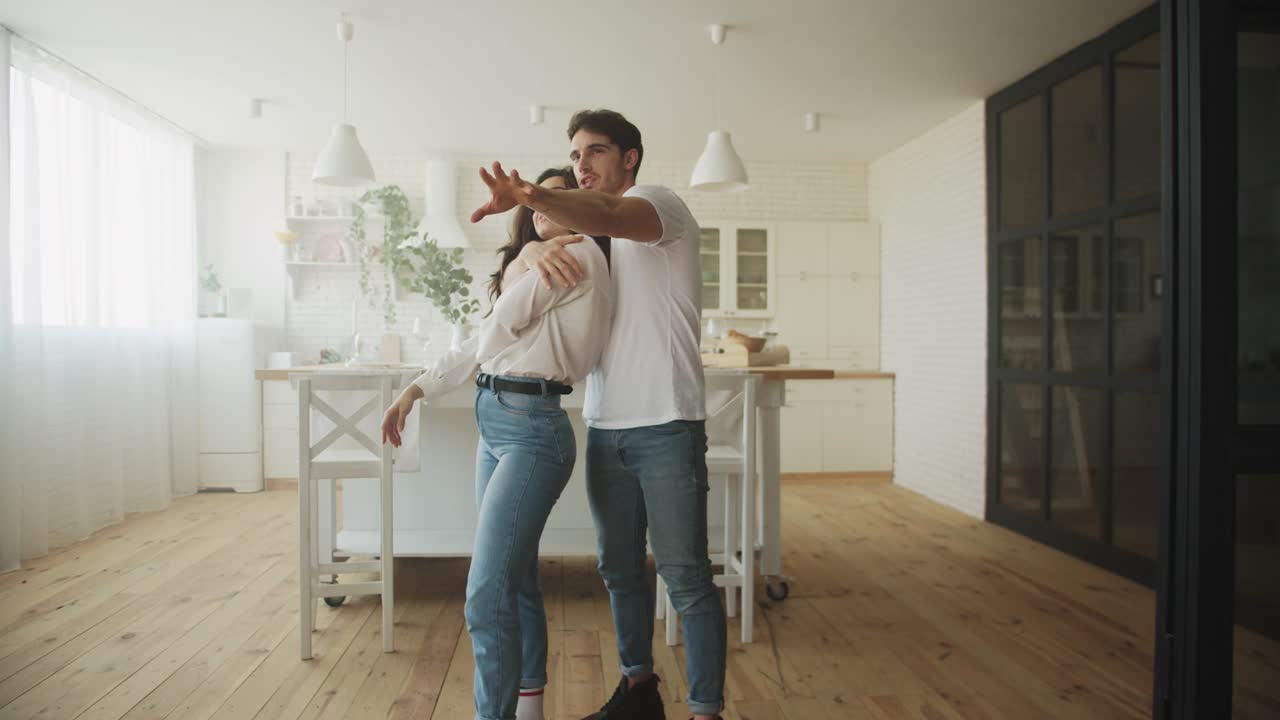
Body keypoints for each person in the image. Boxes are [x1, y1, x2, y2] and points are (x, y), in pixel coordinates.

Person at [470, 109, 724, 720]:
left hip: (666, 423)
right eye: (576, 154)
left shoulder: (655, 207)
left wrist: (529, 193)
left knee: (685, 578)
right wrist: (529, 255)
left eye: (596, 152)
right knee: (617, 569)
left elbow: (607, 213)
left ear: (630, 158)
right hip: (606, 425)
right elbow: (561, 248)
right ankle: (640, 694)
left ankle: (705, 711)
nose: (582, 164)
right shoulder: (598, 247)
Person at [382, 167, 612, 720]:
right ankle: (527, 705)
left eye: (552, 198)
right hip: (499, 422)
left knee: (485, 596)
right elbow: (485, 340)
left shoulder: (577, 256)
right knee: (515, 579)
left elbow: (496, 329)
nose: (538, 209)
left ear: (580, 209)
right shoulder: (542, 260)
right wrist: (417, 387)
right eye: (534, 202)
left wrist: (525, 260)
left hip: (532, 429)